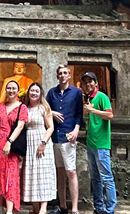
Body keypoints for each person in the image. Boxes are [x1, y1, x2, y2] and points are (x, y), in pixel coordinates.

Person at [46, 65, 83, 214]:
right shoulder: (52, 93)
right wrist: (52, 112)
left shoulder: (76, 92)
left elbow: (79, 114)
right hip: (55, 137)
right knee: (59, 172)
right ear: (57, 76)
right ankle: (63, 206)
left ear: (69, 75)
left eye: (65, 73)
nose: (62, 75)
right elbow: (44, 108)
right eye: (60, 73)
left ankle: (74, 209)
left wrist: (76, 130)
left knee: (71, 171)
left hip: (69, 136)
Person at [0, 80, 28, 214]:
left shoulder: (22, 107)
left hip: (11, 142)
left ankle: (9, 210)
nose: (11, 91)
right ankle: (0, 207)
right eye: (8, 88)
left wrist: (9, 141)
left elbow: (20, 125)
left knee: (10, 175)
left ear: (18, 91)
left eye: (14, 89)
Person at [81, 72, 116, 214]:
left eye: (90, 81)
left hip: (102, 143)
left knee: (106, 177)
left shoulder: (102, 97)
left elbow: (110, 115)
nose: (88, 84)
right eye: (85, 82)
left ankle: (110, 209)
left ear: (96, 83)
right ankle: (98, 207)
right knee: (95, 178)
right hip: (91, 144)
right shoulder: (88, 99)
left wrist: (92, 110)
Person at [22, 83, 57, 214]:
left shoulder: (44, 108)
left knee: (44, 174)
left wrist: (43, 143)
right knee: (31, 174)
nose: (34, 93)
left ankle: (43, 208)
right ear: (28, 92)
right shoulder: (24, 108)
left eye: (37, 91)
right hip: (29, 144)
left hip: (42, 142)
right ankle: (35, 207)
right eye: (32, 90)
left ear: (40, 93)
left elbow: (50, 127)